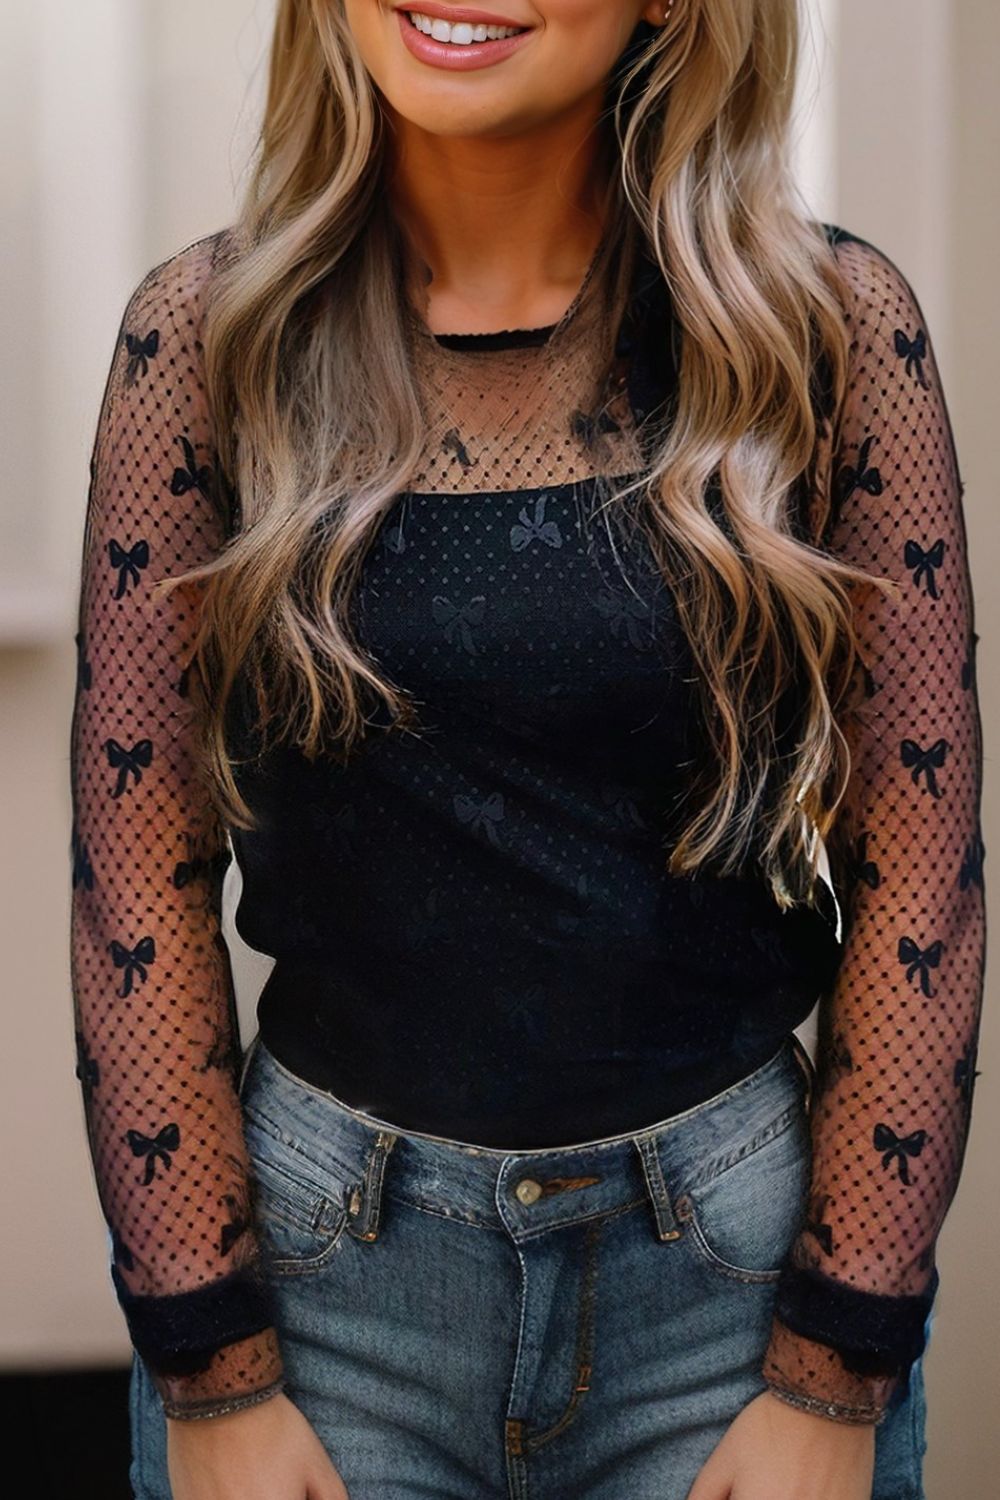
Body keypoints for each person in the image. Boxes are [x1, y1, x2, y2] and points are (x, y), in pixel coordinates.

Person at [69, 3, 986, 1498]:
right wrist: (210, 1364)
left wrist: (837, 1369)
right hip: (322, 1302)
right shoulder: (208, 335)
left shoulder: (823, 326)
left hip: (732, 1300)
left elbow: (922, 875)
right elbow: (134, 875)